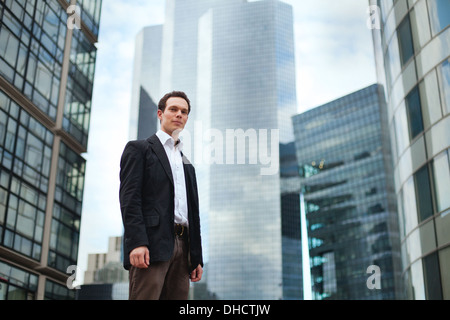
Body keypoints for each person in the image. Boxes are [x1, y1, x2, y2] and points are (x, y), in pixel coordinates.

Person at [119, 91, 203, 300]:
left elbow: (194, 214)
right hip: (151, 244)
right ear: (160, 113)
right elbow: (130, 199)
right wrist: (137, 242)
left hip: (183, 250)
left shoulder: (188, 166)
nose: (179, 115)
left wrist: (197, 257)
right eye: (173, 109)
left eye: (183, 112)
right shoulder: (139, 149)